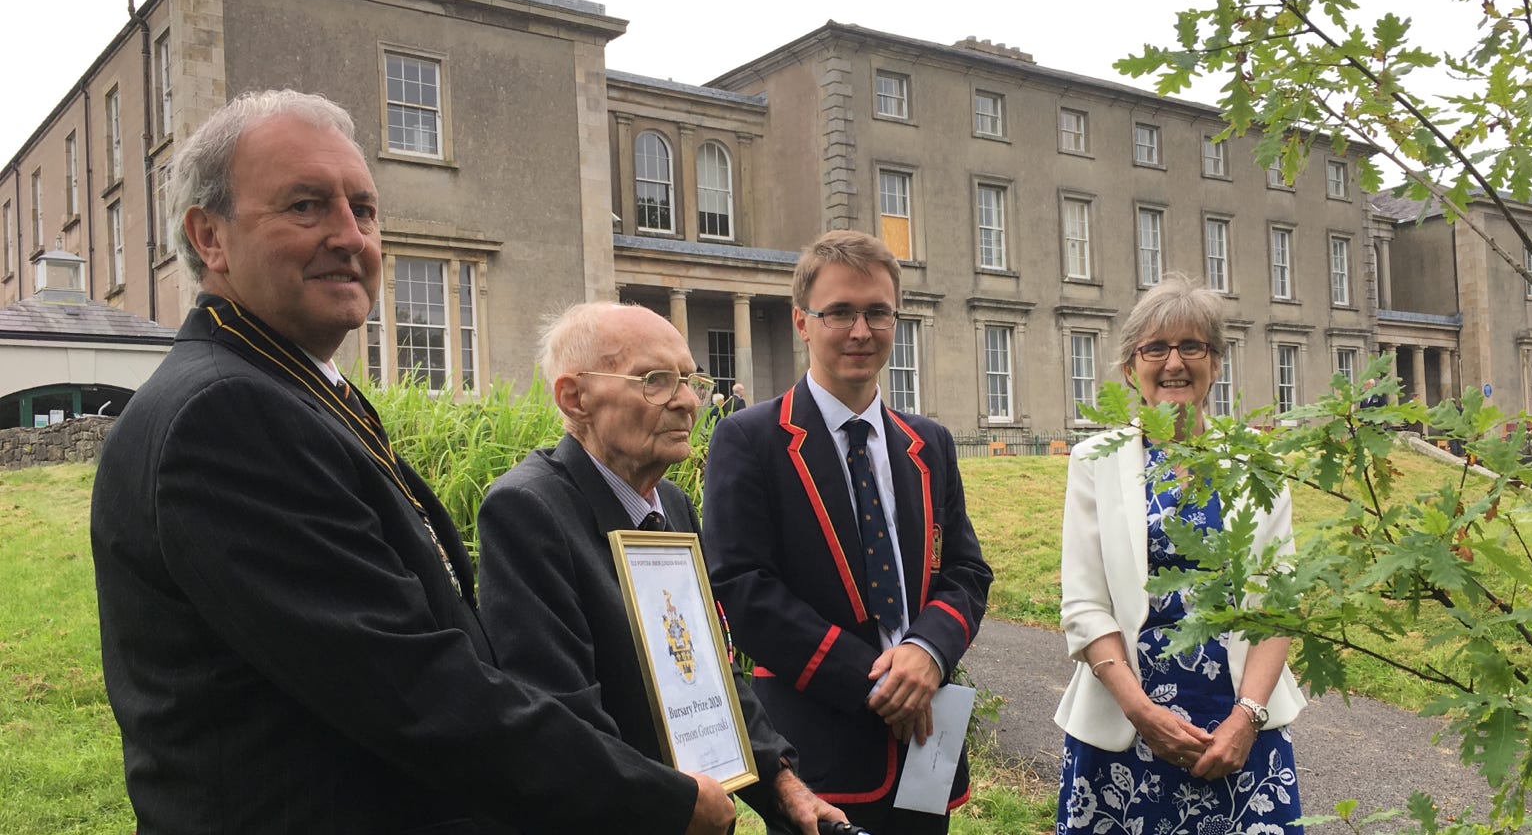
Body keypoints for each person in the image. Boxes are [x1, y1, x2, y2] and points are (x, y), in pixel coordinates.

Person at [90, 90, 736, 834]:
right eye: (306, 206)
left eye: (363, 210)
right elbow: (411, 688)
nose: (349, 236)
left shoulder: (286, 387)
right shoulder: (227, 415)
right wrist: (656, 800)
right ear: (210, 236)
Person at [476, 302, 847, 835]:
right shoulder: (529, 510)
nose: (688, 401)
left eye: (690, 379)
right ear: (574, 398)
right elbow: (560, 719)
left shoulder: (671, 504)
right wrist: (673, 802)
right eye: (655, 380)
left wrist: (783, 785)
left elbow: (710, 670)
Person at [702, 230, 993, 835]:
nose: (861, 331)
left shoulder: (929, 443)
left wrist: (927, 652)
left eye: (877, 312)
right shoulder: (750, 439)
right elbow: (742, 588)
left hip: (927, 744)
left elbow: (966, 571)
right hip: (821, 749)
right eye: (839, 312)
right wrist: (883, 682)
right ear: (802, 322)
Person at [1055, 273, 1306, 835]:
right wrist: (1143, 714)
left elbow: (1279, 603)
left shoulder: (1256, 462)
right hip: (1125, 728)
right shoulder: (1095, 462)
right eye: (1156, 349)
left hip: (1238, 732)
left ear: (1215, 362)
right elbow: (1085, 607)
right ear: (1131, 368)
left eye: (1192, 346)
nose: (1174, 362)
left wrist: (1247, 718)